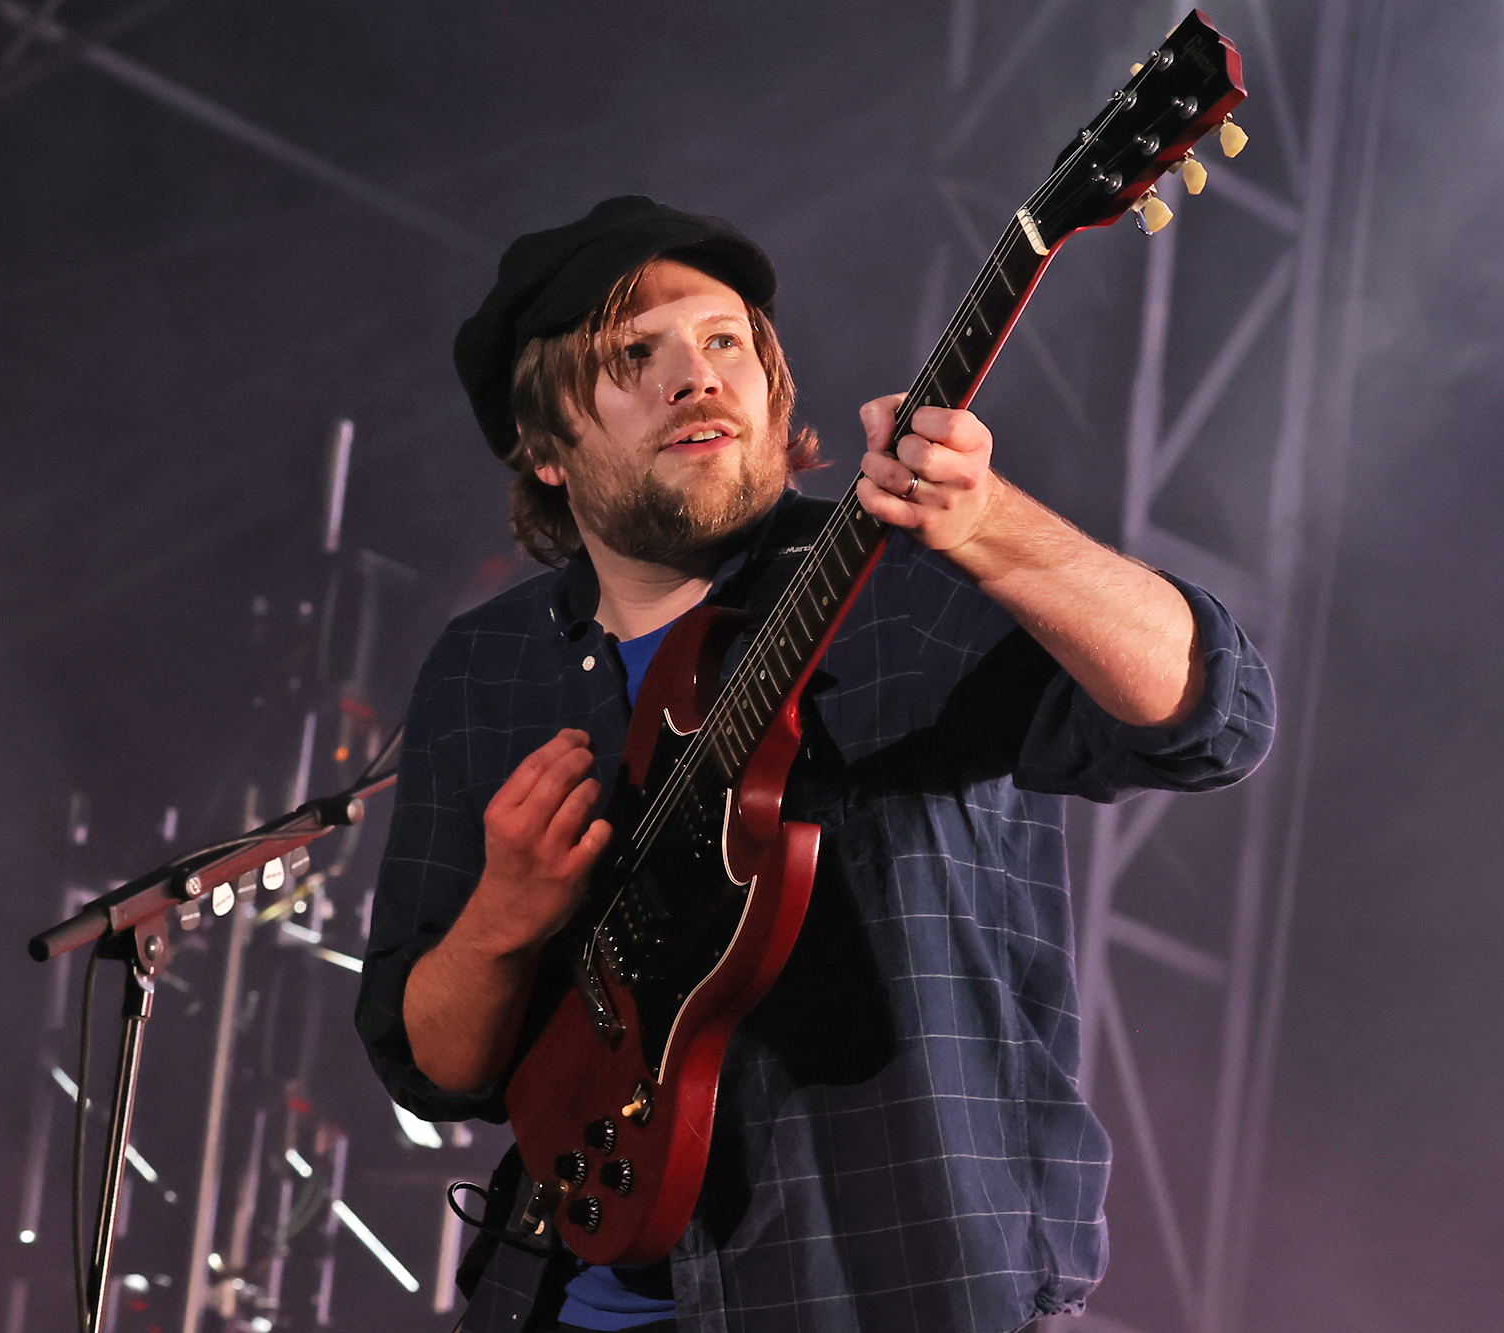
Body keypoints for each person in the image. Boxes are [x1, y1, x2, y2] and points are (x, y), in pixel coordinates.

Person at [356, 196, 1274, 1333]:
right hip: (560, 1294)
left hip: (894, 1290)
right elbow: (435, 1068)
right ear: (543, 448)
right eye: (633, 356)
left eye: (723, 340)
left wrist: (992, 526)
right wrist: (501, 918)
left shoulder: (904, 579)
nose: (696, 377)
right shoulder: (485, 667)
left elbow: (1216, 717)